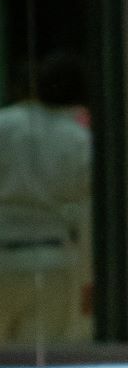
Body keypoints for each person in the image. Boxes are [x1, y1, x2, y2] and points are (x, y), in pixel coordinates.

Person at [0, 52, 91, 345]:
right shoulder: (76, 137)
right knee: (41, 359)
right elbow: (86, 209)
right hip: (52, 258)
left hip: (6, 250)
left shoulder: (4, 124)